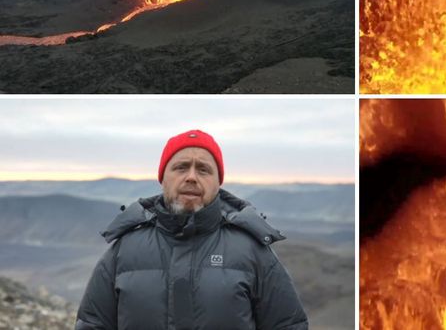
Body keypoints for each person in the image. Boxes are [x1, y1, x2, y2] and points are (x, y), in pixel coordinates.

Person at [75, 129, 308, 330]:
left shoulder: (254, 251)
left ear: (218, 184)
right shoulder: (123, 250)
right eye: (181, 167)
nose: (191, 177)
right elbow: (93, 324)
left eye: (204, 170)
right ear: (162, 179)